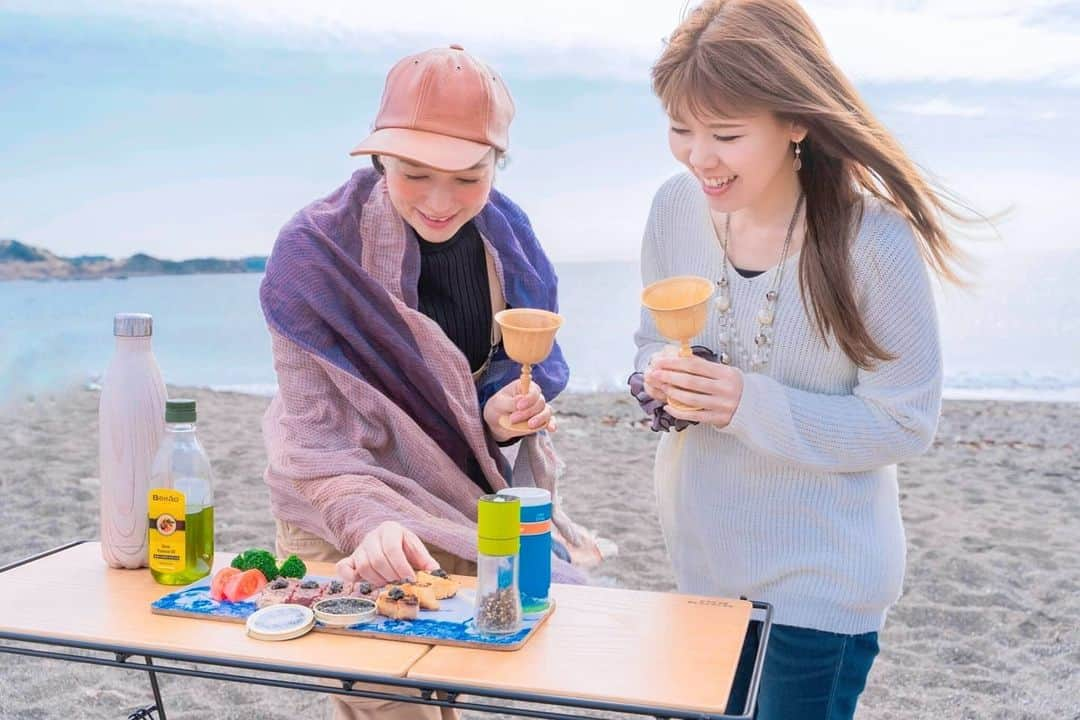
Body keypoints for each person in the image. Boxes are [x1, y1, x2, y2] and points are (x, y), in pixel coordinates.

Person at [629, 2, 967, 718]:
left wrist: (746, 403)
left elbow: (904, 422)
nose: (699, 158)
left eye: (725, 134)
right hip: (702, 568)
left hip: (821, 587)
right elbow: (649, 341)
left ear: (796, 121)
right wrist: (659, 380)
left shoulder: (873, 241)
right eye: (680, 130)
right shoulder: (673, 209)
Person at [260, 45, 599, 720]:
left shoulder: (508, 239)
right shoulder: (314, 254)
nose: (442, 203)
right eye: (415, 174)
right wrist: (372, 521)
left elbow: (475, 392)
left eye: (470, 178)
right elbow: (312, 438)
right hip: (336, 501)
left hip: (460, 499)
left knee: (474, 674)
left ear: (497, 165)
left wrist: (497, 416)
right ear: (378, 157)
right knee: (393, 705)